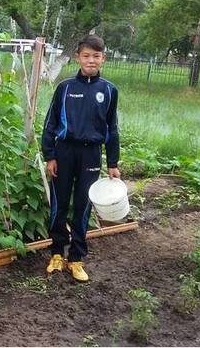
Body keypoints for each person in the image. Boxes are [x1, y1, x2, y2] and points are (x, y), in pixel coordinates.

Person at [41, 34, 120, 283]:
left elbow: (113, 128)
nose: (91, 60)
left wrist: (113, 163)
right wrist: (50, 155)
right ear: (78, 57)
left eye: (96, 56)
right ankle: (56, 253)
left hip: (91, 154)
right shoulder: (65, 87)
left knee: (83, 205)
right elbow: (50, 123)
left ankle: (76, 257)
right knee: (59, 203)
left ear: (103, 59)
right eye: (86, 55)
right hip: (64, 152)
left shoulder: (108, 90)